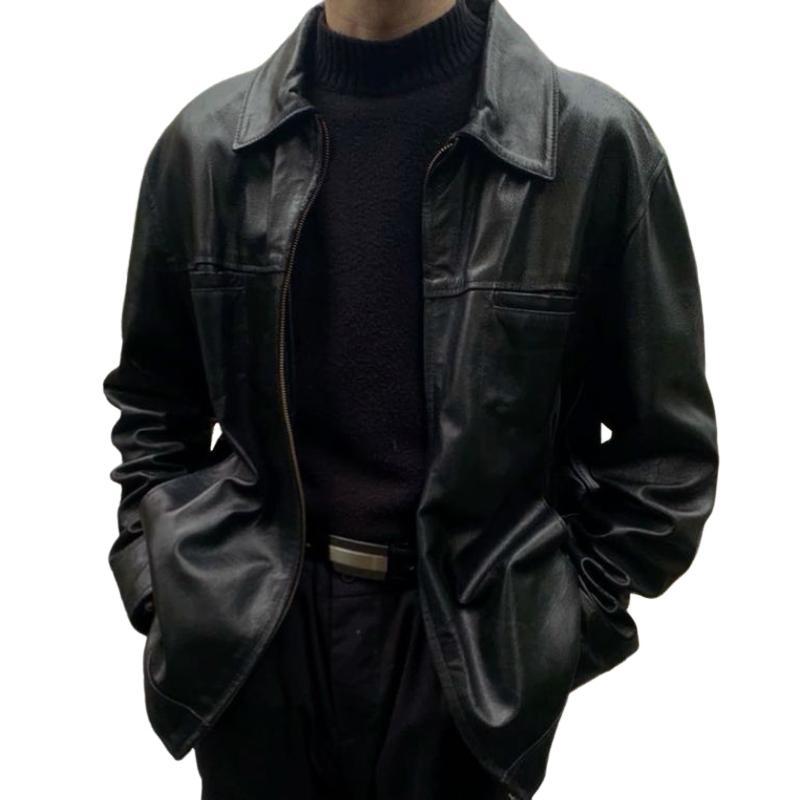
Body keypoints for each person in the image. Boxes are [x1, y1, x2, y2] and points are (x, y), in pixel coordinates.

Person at [101, 0, 719, 797]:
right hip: (253, 641)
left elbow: (666, 458)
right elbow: (153, 407)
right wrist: (167, 591)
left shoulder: (589, 146)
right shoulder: (208, 147)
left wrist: (550, 630)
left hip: (466, 654)